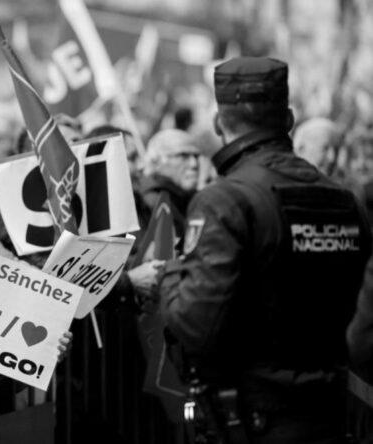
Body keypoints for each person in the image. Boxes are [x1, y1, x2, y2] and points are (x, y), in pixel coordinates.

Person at [160, 57, 372, 443]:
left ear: (218, 123)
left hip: (254, 417)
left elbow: (195, 326)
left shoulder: (225, 201)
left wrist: (171, 272)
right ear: (288, 120)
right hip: (330, 414)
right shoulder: (345, 201)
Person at [127, 129, 201, 301]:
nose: (194, 164)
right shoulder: (153, 201)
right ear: (156, 159)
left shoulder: (182, 198)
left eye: (196, 156)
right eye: (183, 155)